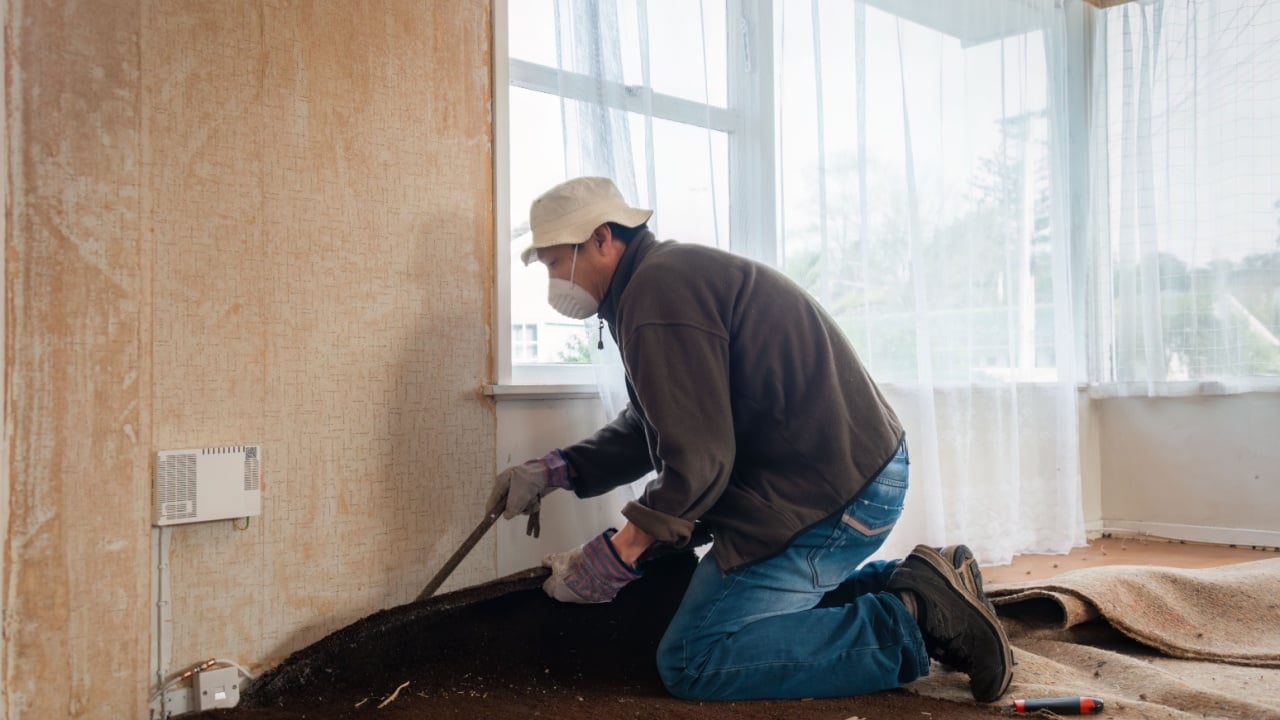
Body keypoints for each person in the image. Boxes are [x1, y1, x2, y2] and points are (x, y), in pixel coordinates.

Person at [489, 176, 1013, 703]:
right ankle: (920, 584)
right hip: (851, 475)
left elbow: (700, 457)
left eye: (557, 262)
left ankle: (913, 622)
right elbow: (660, 422)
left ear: (602, 238)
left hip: (829, 496)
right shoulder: (660, 281)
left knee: (694, 658)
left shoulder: (656, 293)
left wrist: (619, 552)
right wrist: (558, 469)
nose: (555, 281)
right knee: (722, 616)